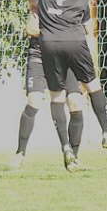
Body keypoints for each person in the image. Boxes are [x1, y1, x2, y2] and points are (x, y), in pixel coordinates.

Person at [17, 0, 107, 172]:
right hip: (73, 41)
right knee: (93, 85)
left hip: (49, 43)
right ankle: (106, 133)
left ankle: (68, 150)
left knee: (59, 98)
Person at [10, 12, 87, 169]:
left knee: (76, 103)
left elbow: (85, 31)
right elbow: (31, 29)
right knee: (34, 100)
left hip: (66, 58)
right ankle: (20, 152)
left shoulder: (74, 3)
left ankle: (73, 157)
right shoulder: (42, 3)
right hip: (39, 58)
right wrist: (56, 32)